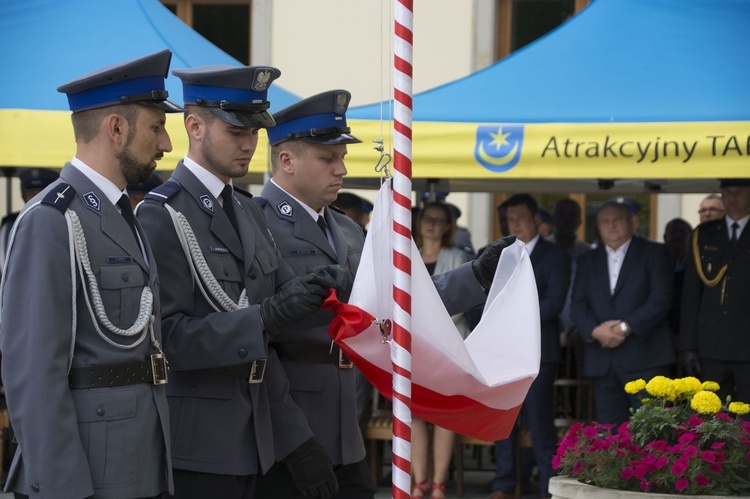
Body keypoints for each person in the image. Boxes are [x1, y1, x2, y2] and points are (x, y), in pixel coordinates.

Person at [254, 89, 516, 499]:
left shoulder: (344, 228)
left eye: (341, 157)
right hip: (289, 426)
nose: (341, 169)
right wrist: (293, 439)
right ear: (286, 161)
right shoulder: (256, 224)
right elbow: (254, 342)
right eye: (328, 158)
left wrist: (476, 277)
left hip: (346, 419)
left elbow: (402, 304)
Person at [137, 67, 351, 499]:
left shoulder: (247, 210)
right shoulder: (161, 214)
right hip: (199, 446)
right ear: (194, 126)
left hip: (258, 441)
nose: (250, 142)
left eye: (254, 130)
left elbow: (271, 338)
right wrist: (264, 318)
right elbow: (168, 339)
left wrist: (296, 440)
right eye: (237, 129)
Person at [0, 49, 182, 499]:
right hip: (85, 474)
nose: (167, 144)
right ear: (116, 129)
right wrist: (63, 487)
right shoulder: (51, 220)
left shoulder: (125, 215)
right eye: (157, 126)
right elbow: (33, 373)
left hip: (137, 461)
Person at [491, 194, 570, 499]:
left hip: (539, 352)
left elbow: (554, 302)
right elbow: (483, 300)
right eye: (510, 219)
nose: (516, 224)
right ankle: (503, 484)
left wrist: (513, 318)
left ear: (536, 218)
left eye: (521, 217)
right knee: (503, 420)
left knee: (539, 423)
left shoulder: (555, 256)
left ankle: (548, 487)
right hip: (502, 353)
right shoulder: (498, 254)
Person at [571, 199, 675, 425]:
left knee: (650, 430)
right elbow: (577, 304)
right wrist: (595, 331)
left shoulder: (655, 253)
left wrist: (624, 327)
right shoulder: (587, 261)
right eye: (605, 222)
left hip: (645, 356)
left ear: (633, 223)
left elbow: (661, 299)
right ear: (597, 227)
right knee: (610, 435)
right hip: (602, 358)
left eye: (617, 220)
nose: (612, 226)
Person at [411, 201, 472, 499]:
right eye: (427, 218)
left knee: (443, 416)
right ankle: (419, 482)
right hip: (414, 349)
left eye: (438, 220)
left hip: (448, 348)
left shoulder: (457, 256)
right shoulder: (406, 255)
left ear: (448, 227)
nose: (431, 224)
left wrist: (425, 324)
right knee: (416, 415)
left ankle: (438, 485)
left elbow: (460, 302)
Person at [681, 179, 750, 406]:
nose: (732, 197)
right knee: (714, 420)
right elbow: (691, 296)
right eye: (727, 192)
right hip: (712, 344)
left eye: (739, 191)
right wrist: (689, 346)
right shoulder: (704, 235)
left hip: (747, 343)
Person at [0, 168, 59, 269]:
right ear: (23, 195)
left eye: (41, 193)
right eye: (31, 194)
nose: (36, 199)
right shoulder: (10, 224)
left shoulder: (63, 222)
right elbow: (4, 264)